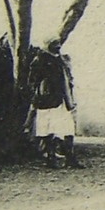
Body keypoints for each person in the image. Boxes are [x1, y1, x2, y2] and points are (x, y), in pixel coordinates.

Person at [30, 38, 82, 169]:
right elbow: (33, 81)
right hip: (48, 101)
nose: (58, 47)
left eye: (59, 44)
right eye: (55, 44)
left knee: (67, 129)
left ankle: (69, 158)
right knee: (49, 130)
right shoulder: (40, 61)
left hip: (61, 100)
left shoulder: (60, 60)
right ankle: (50, 158)